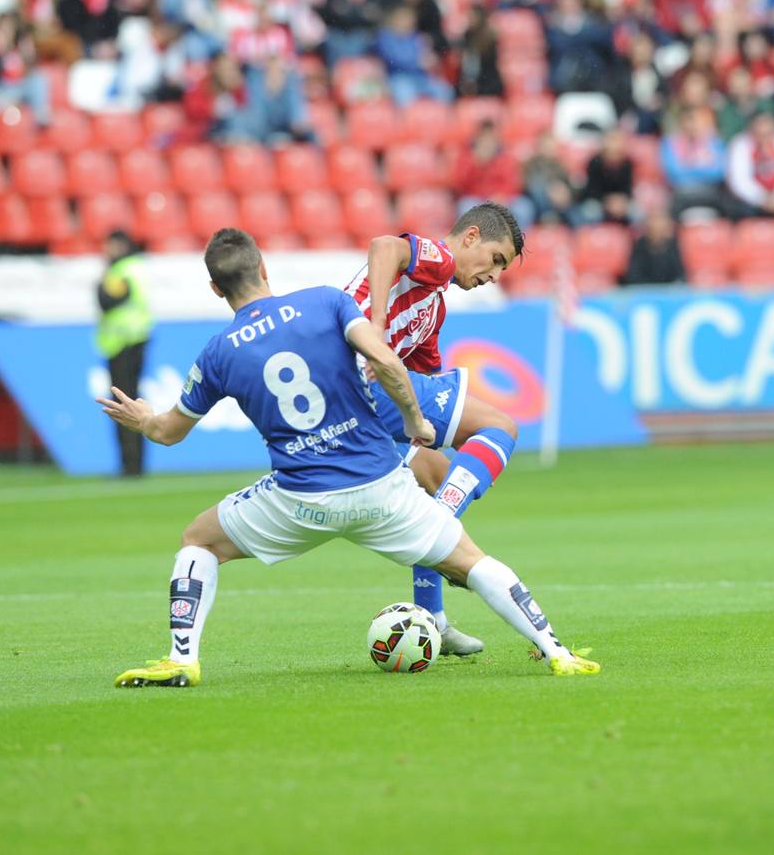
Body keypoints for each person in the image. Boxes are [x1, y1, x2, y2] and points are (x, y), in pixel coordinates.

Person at [99, 228, 599, 686]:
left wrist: (143, 418)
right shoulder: (326, 303)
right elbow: (382, 357)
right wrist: (414, 421)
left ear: (216, 289)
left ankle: (181, 658)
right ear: (265, 269)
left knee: (199, 540)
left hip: (298, 498)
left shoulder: (218, 352)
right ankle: (555, 650)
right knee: (472, 560)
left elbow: (167, 432)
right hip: (381, 488)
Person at [344, 203, 525, 657]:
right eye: (495, 259)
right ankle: (441, 521)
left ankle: (435, 620)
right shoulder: (438, 259)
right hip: (350, 376)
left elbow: (423, 381)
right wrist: (378, 330)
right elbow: (385, 246)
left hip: (362, 402)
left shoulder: (433, 308)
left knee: (436, 475)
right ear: (470, 238)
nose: (494, 275)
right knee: (499, 427)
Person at [96, 231, 152, 478]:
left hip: (123, 343)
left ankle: (130, 466)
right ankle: (135, 464)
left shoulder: (122, 271)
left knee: (123, 405)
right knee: (132, 402)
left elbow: (107, 300)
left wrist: (100, 285)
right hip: (135, 339)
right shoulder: (136, 267)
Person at [623, 209, 686, 286]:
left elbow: (679, 274)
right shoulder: (639, 245)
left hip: (669, 293)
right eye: (654, 220)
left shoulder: (673, 244)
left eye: (661, 220)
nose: (657, 224)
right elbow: (634, 275)